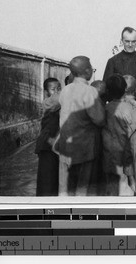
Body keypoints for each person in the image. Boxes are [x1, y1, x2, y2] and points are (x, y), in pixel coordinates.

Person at [57, 56, 105, 196]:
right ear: (87, 71)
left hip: (65, 146)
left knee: (64, 188)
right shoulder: (90, 91)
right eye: (90, 67)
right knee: (82, 188)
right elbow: (99, 119)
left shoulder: (66, 90)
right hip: (84, 148)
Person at [102, 74, 136, 196]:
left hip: (108, 153)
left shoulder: (106, 108)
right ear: (124, 89)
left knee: (111, 185)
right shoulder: (130, 108)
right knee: (124, 188)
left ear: (108, 90)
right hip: (124, 154)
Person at [103, 27, 136, 105]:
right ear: (122, 41)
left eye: (133, 41)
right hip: (118, 108)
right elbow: (106, 88)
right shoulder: (113, 61)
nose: (130, 45)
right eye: (127, 41)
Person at [35, 78, 61, 196]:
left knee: (54, 180)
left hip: (54, 144)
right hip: (47, 145)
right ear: (46, 92)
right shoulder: (48, 102)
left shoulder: (57, 102)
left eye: (58, 88)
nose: (56, 92)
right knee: (46, 183)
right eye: (53, 89)